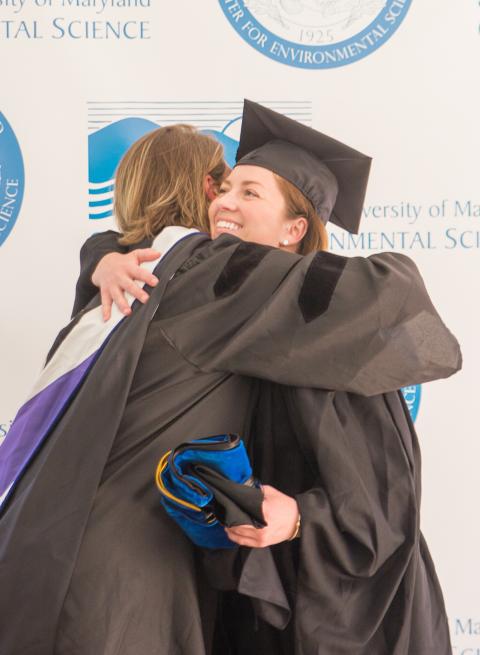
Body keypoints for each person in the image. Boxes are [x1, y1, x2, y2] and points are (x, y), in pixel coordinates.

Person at [0, 102, 460, 655]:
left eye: (249, 192)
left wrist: (300, 520)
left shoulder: (323, 337)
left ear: (296, 228)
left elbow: (382, 503)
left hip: (289, 610)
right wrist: (100, 254)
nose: (223, 203)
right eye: (224, 189)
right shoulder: (207, 281)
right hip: (131, 582)